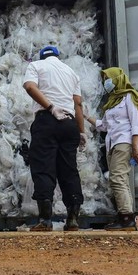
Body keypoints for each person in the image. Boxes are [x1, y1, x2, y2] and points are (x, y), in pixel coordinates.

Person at [22, 45, 86, 231]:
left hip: (47, 121)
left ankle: (45, 221)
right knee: (69, 171)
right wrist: (81, 131)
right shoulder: (71, 72)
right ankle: (73, 219)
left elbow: (29, 86)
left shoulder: (36, 65)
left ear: (42, 56)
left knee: (43, 168)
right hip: (69, 124)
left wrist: (50, 107)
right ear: (58, 56)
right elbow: (78, 104)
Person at [85, 67, 138, 231]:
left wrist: (135, 146)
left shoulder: (129, 97)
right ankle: (126, 217)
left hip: (125, 143)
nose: (106, 82)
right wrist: (86, 116)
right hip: (113, 145)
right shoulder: (112, 102)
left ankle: (126, 219)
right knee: (120, 180)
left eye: (108, 78)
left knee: (118, 178)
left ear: (117, 79)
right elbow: (103, 126)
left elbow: (136, 123)